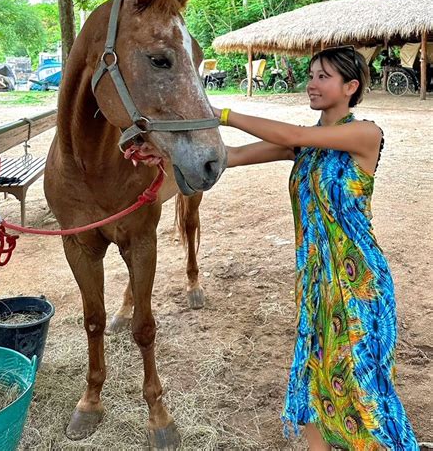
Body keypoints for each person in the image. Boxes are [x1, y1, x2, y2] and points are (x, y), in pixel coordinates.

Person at [136, 45, 420, 450]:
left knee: (364, 388)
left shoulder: (365, 133)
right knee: (316, 379)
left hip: (360, 283)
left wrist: (223, 113)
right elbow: (227, 157)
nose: (312, 83)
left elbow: (295, 134)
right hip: (317, 282)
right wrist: (161, 152)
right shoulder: (305, 148)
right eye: (311, 74)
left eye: (324, 77)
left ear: (350, 86)